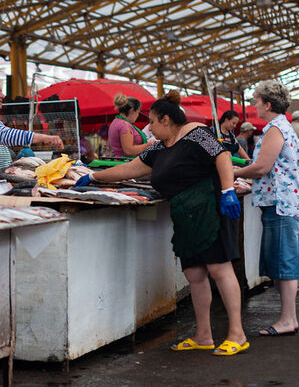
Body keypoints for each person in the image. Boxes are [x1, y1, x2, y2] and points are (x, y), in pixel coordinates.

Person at [75, 91, 248, 356]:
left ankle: (237, 333)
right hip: (184, 215)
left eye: (153, 122)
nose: (150, 129)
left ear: (166, 120)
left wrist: (227, 190)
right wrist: (93, 177)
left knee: (219, 269)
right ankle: (204, 335)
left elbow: (222, 156)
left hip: (210, 210)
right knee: (194, 274)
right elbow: (131, 168)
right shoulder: (160, 146)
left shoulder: (197, 134)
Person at [233, 81, 299, 336]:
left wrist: (235, 171)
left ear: (268, 103)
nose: (254, 105)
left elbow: (262, 166)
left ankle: (288, 319)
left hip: (281, 205)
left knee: (284, 262)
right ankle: (288, 317)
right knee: (282, 260)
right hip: (283, 204)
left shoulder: (276, 129)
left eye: (257, 101)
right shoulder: (280, 128)